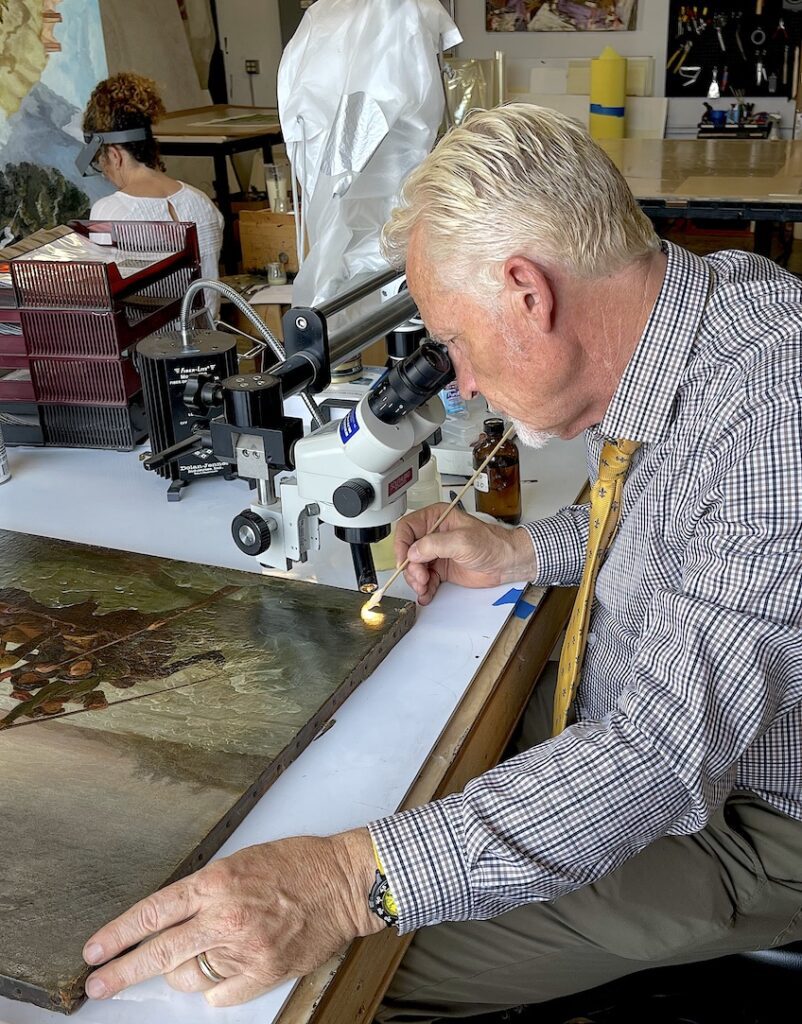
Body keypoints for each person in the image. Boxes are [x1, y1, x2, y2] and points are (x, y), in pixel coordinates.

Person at [77, 105, 802, 1020]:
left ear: (527, 292)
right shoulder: (696, 302)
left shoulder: (776, 413)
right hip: (639, 707)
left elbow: (658, 758)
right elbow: (699, 535)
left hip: (746, 816)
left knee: (335, 978)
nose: (457, 382)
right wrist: (529, 545)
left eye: (454, 343)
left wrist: (347, 884)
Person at [82, 72, 224, 316]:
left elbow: (100, 301)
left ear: (114, 155)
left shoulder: (111, 212)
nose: (104, 173)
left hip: (148, 351)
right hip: (212, 344)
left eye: (100, 162)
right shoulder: (201, 201)